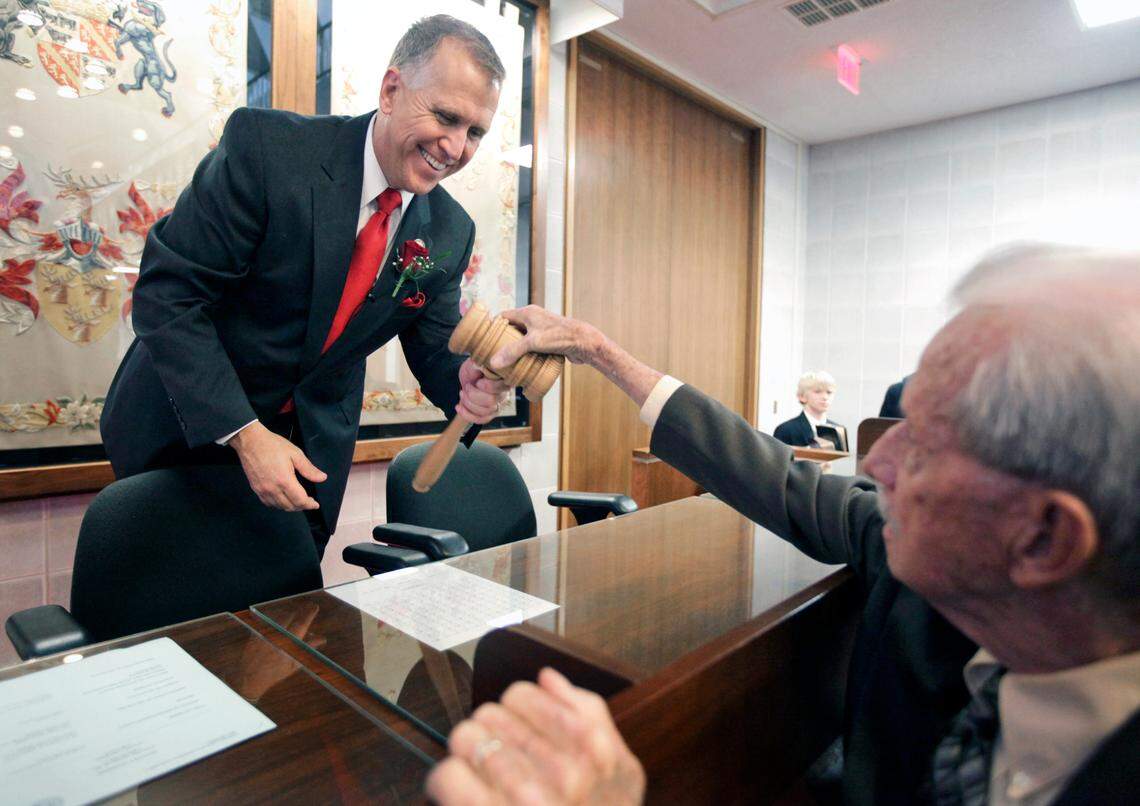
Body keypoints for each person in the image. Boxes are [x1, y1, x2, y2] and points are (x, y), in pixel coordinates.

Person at [425, 244, 1140, 805]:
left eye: (924, 442)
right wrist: (596, 349)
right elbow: (776, 479)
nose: (877, 462)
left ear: (1043, 539)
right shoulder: (927, 555)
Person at [100, 15, 510, 556]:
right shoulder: (269, 151)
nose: (456, 148)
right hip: (186, 433)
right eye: (446, 117)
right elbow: (169, 294)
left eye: (475, 132)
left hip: (309, 458)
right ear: (391, 91)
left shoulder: (450, 230)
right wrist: (246, 434)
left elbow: (435, 347)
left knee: (287, 604)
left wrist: (470, 381)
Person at [773, 371, 847, 451]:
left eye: (829, 392)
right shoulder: (785, 430)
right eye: (817, 391)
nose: (825, 397)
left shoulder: (839, 430)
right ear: (802, 396)